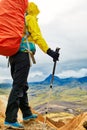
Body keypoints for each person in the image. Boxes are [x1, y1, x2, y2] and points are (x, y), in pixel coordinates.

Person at [4, 2, 60, 130]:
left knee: (22, 85)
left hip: (12, 55)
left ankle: (27, 114)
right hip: (23, 55)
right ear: (34, 10)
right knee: (18, 86)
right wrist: (50, 52)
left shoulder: (17, 20)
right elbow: (37, 36)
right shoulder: (29, 18)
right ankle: (10, 119)